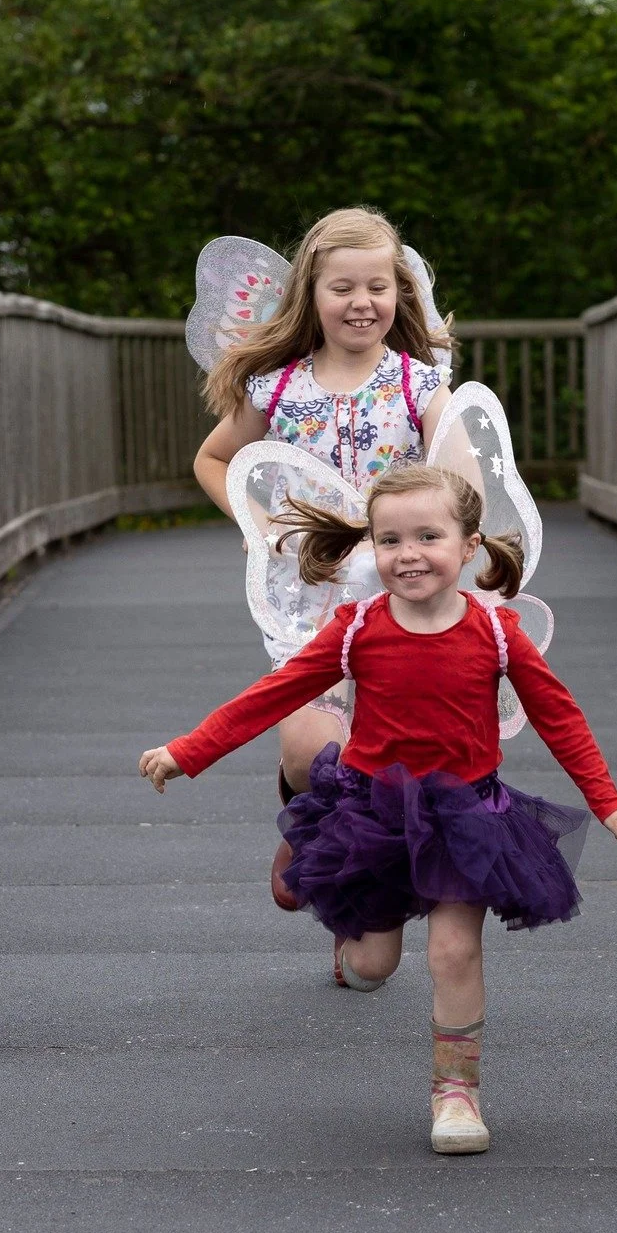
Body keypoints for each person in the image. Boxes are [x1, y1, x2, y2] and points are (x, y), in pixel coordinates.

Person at [140, 467, 617, 1154]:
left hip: (467, 813)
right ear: (371, 547)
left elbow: (561, 717)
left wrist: (607, 800)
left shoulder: (496, 632)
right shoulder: (357, 630)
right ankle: (343, 925)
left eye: (428, 536)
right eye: (390, 538)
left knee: (454, 949)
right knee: (375, 965)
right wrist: (188, 750)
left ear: (467, 545)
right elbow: (272, 694)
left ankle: (456, 1093)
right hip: (375, 816)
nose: (408, 553)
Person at [186, 208, 454, 917]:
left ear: (399, 293)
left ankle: (355, 892)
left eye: (376, 287)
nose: (361, 302)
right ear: (312, 294)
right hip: (309, 600)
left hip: (404, 605)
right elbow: (214, 459)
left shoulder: (419, 387)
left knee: (387, 767)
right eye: (343, 287)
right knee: (313, 755)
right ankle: (303, 809)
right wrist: (254, 520)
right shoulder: (276, 387)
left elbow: (461, 474)